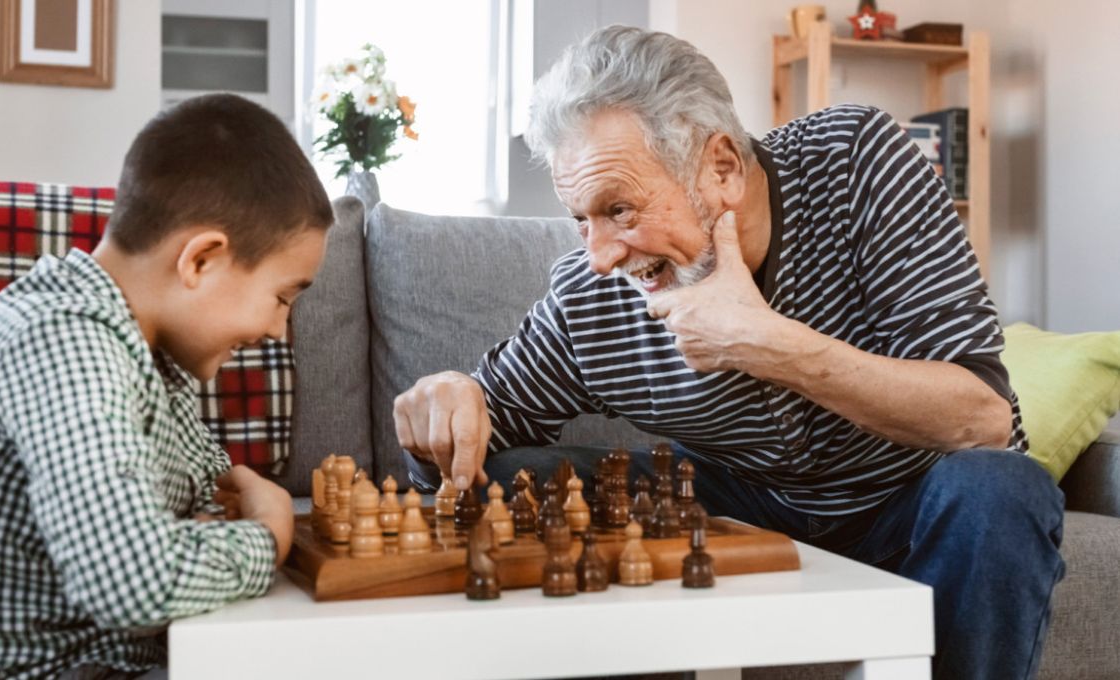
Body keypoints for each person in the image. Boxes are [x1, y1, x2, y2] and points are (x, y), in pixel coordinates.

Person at [393, 26, 1064, 680]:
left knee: (998, 491)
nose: (598, 256)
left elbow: (982, 418)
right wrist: (450, 401)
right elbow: (485, 425)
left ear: (720, 168)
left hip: (910, 504)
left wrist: (767, 343)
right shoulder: (591, 298)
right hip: (746, 509)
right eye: (580, 218)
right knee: (522, 479)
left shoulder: (858, 160)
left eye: (620, 210)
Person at [0, 93, 333, 679]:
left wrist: (216, 523)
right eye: (282, 298)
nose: (279, 330)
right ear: (200, 260)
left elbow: (214, 492)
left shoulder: (149, 351)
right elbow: (133, 581)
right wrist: (268, 535)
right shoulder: (65, 340)